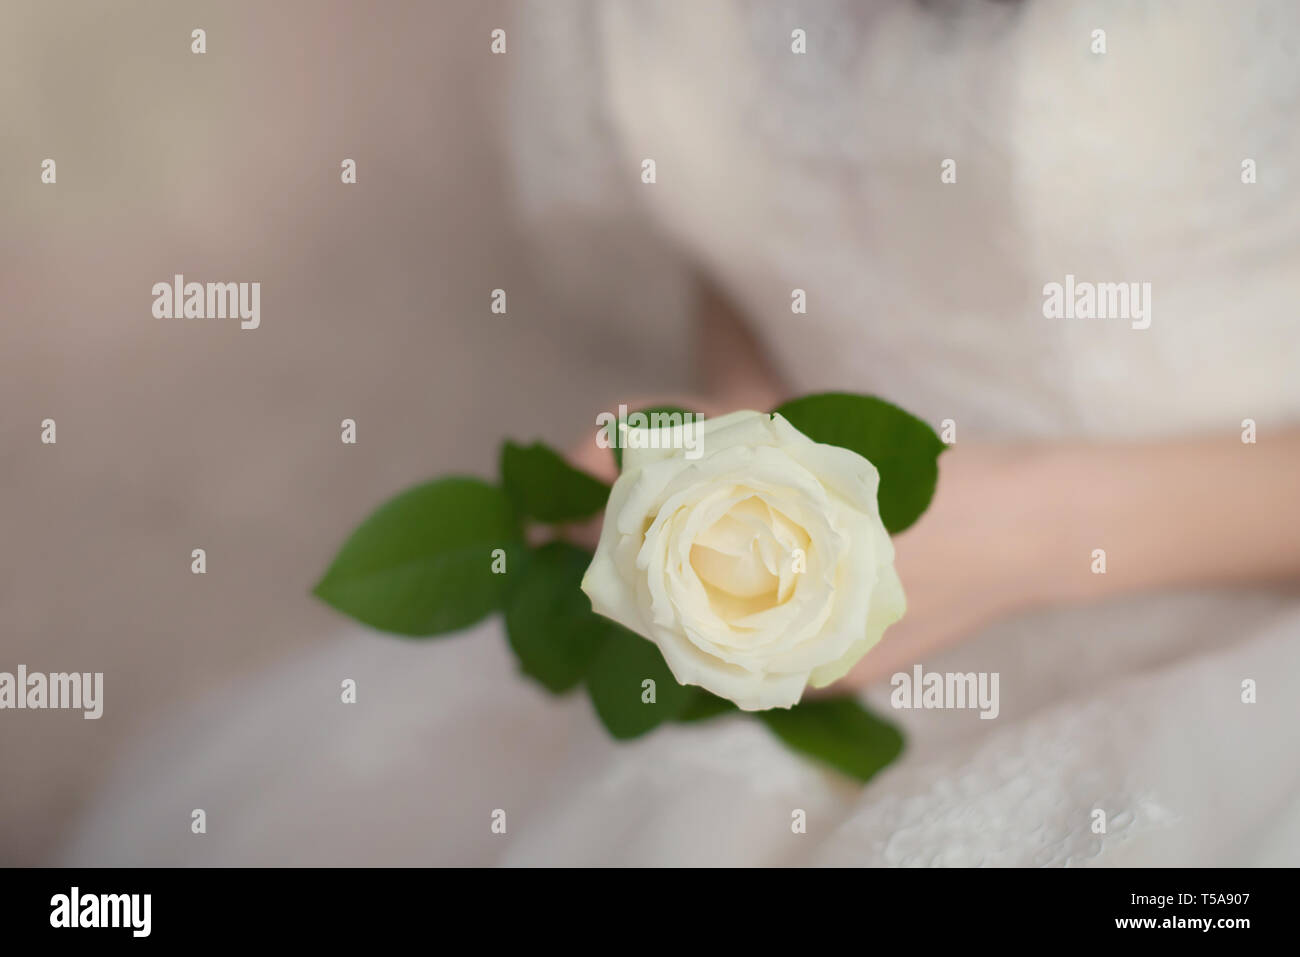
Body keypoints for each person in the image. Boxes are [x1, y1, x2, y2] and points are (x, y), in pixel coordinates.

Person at [62, 0, 1300, 865]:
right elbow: (745, 220)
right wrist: (738, 436)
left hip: (1230, 605)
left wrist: (1031, 526)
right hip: (827, 617)